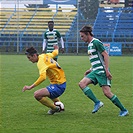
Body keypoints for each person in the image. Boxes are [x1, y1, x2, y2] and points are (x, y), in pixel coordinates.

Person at [78, 25, 129, 116]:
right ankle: (97, 102)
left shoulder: (96, 42)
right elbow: (97, 59)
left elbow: (105, 55)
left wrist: (107, 70)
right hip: (95, 71)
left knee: (107, 93)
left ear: (88, 34)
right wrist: (90, 69)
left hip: (101, 71)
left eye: (82, 36)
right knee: (82, 84)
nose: (81, 38)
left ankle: (124, 110)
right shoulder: (89, 45)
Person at [22, 45, 66, 115]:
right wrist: (56, 48)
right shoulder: (44, 55)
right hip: (61, 82)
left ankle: (55, 108)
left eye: (29, 57)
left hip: (58, 85)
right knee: (48, 92)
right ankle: (59, 105)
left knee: (37, 94)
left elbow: (43, 77)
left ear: (34, 55)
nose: (29, 60)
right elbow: (54, 53)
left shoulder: (40, 62)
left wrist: (30, 87)